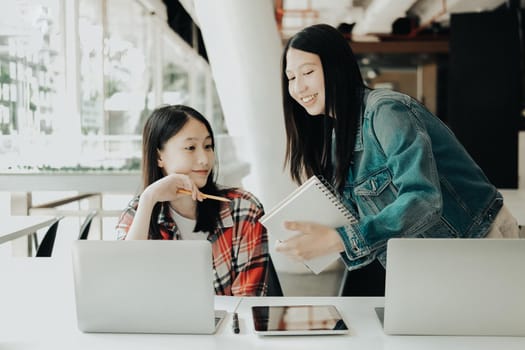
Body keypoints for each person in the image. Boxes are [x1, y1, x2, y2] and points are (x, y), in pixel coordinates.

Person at [276, 23, 519, 295]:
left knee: (484, 337)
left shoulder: (386, 111)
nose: (298, 87)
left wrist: (339, 239)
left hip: (476, 240)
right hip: (426, 260)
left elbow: (423, 198)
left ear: (337, 67)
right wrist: (315, 237)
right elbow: (367, 226)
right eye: (291, 77)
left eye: (307, 72)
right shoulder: (336, 140)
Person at [116, 105, 269, 296]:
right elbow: (124, 285)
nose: (204, 159)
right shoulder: (137, 212)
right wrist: (149, 197)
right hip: (158, 325)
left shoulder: (244, 209)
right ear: (158, 156)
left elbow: (247, 303)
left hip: (227, 324)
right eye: (191, 148)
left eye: (208, 146)